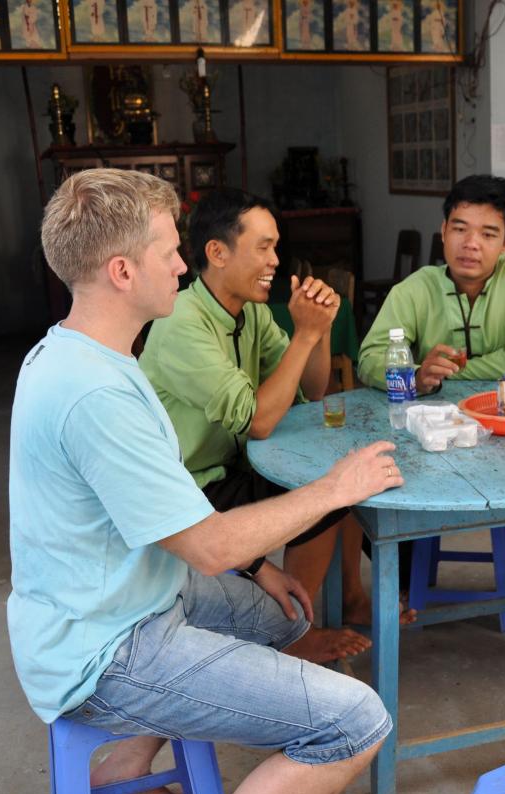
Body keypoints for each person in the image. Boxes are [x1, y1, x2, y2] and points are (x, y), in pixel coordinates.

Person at [8, 168, 402, 794]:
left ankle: (124, 766)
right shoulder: (94, 393)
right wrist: (335, 488)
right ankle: (139, 734)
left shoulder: (91, 353)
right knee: (357, 721)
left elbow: (172, 521)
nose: (181, 267)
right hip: (106, 649)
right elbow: (211, 547)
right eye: (169, 253)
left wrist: (258, 566)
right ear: (122, 271)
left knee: (288, 618)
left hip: (136, 594)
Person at [139, 188, 406, 655]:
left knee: (346, 475)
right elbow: (260, 422)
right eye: (263, 247)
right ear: (217, 252)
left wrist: (319, 328)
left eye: (276, 247)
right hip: (189, 487)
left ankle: (342, 601)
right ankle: (290, 634)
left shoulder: (252, 314)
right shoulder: (183, 322)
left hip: (235, 466)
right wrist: (303, 336)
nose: (275, 261)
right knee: (324, 494)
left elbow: (313, 388)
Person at [357, 174, 505, 592]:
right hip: (431, 441)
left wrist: (447, 371)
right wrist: (415, 375)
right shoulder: (416, 288)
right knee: (370, 504)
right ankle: (409, 593)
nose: (471, 244)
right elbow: (369, 358)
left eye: (487, 234)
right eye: (460, 229)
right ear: (443, 232)